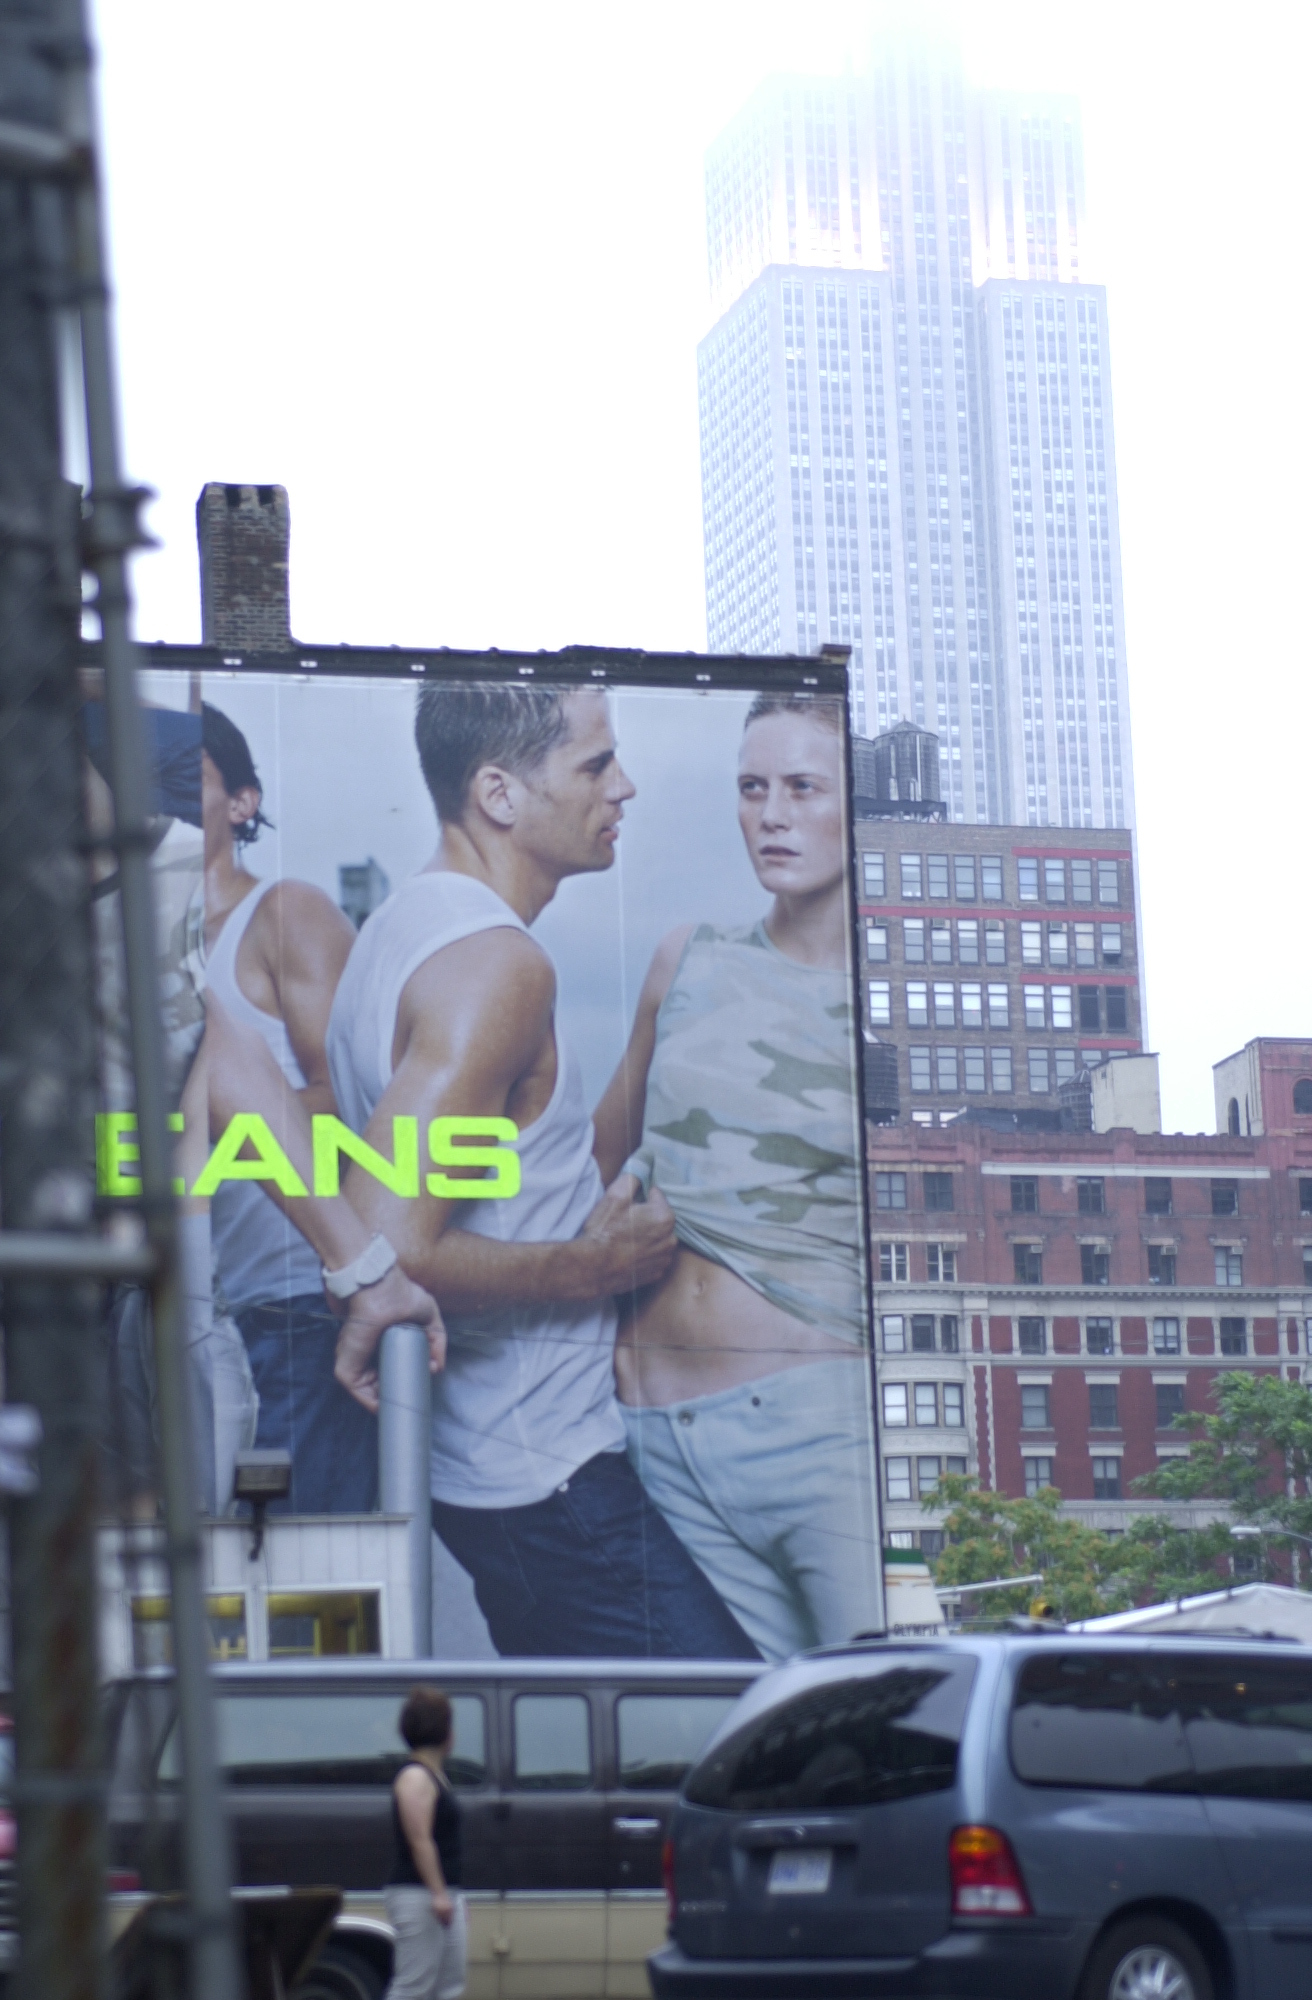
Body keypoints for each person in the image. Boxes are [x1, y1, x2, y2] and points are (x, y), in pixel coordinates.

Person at [326, 682, 758, 1659]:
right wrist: (592, 1268)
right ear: (499, 794)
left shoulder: (403, 934)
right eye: (595, 765)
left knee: (596, 1752)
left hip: (507, 1473)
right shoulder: (494, 967)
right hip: (547, 1480)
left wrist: (652, 1028)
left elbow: (528, 1173)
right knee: (741, 1731)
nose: (625, 786)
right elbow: (384, 1247)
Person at [591, 692, 882, 1661]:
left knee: (869, 1719)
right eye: (752, 788)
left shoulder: (886, 1007)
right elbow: (594, 1162)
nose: (772, 815)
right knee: (724, 1734)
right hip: (654, 1439)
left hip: (819, 1441)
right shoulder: (688, 959)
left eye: (803, 787)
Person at [198, 702, 380, 1511]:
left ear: (243, 802)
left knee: (297, 1568)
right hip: (184, 1318)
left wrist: (180, 1131)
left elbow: (354, 1103)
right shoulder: (121, 942)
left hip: (298, 1306)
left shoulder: (282, 914)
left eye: (182, 775)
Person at [384, 1688, 466, 2000]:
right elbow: (420, 1840)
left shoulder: (436, 1776)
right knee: (414, 1986)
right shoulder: (415, 1777)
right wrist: (439, 1893)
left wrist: (454, 1896)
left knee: (449, 1985)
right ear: (445, 1731)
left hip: (442, 1893)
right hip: (419, 1894)